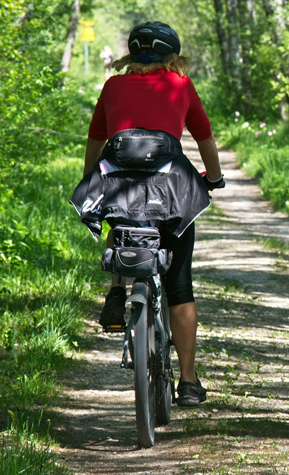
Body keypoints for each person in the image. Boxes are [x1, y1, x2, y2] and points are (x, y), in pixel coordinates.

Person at [81, 21, 224, 407]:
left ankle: (116, 288)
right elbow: (204, 137)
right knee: (180, 284)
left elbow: (96, 140)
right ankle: (189, 382)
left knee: (119, 215)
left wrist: (89, 180)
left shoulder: (112, 86)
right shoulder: (179, 84)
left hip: (119, 182)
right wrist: (215, 178)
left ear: (131, 54)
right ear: (171, 56)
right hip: (170, 188)